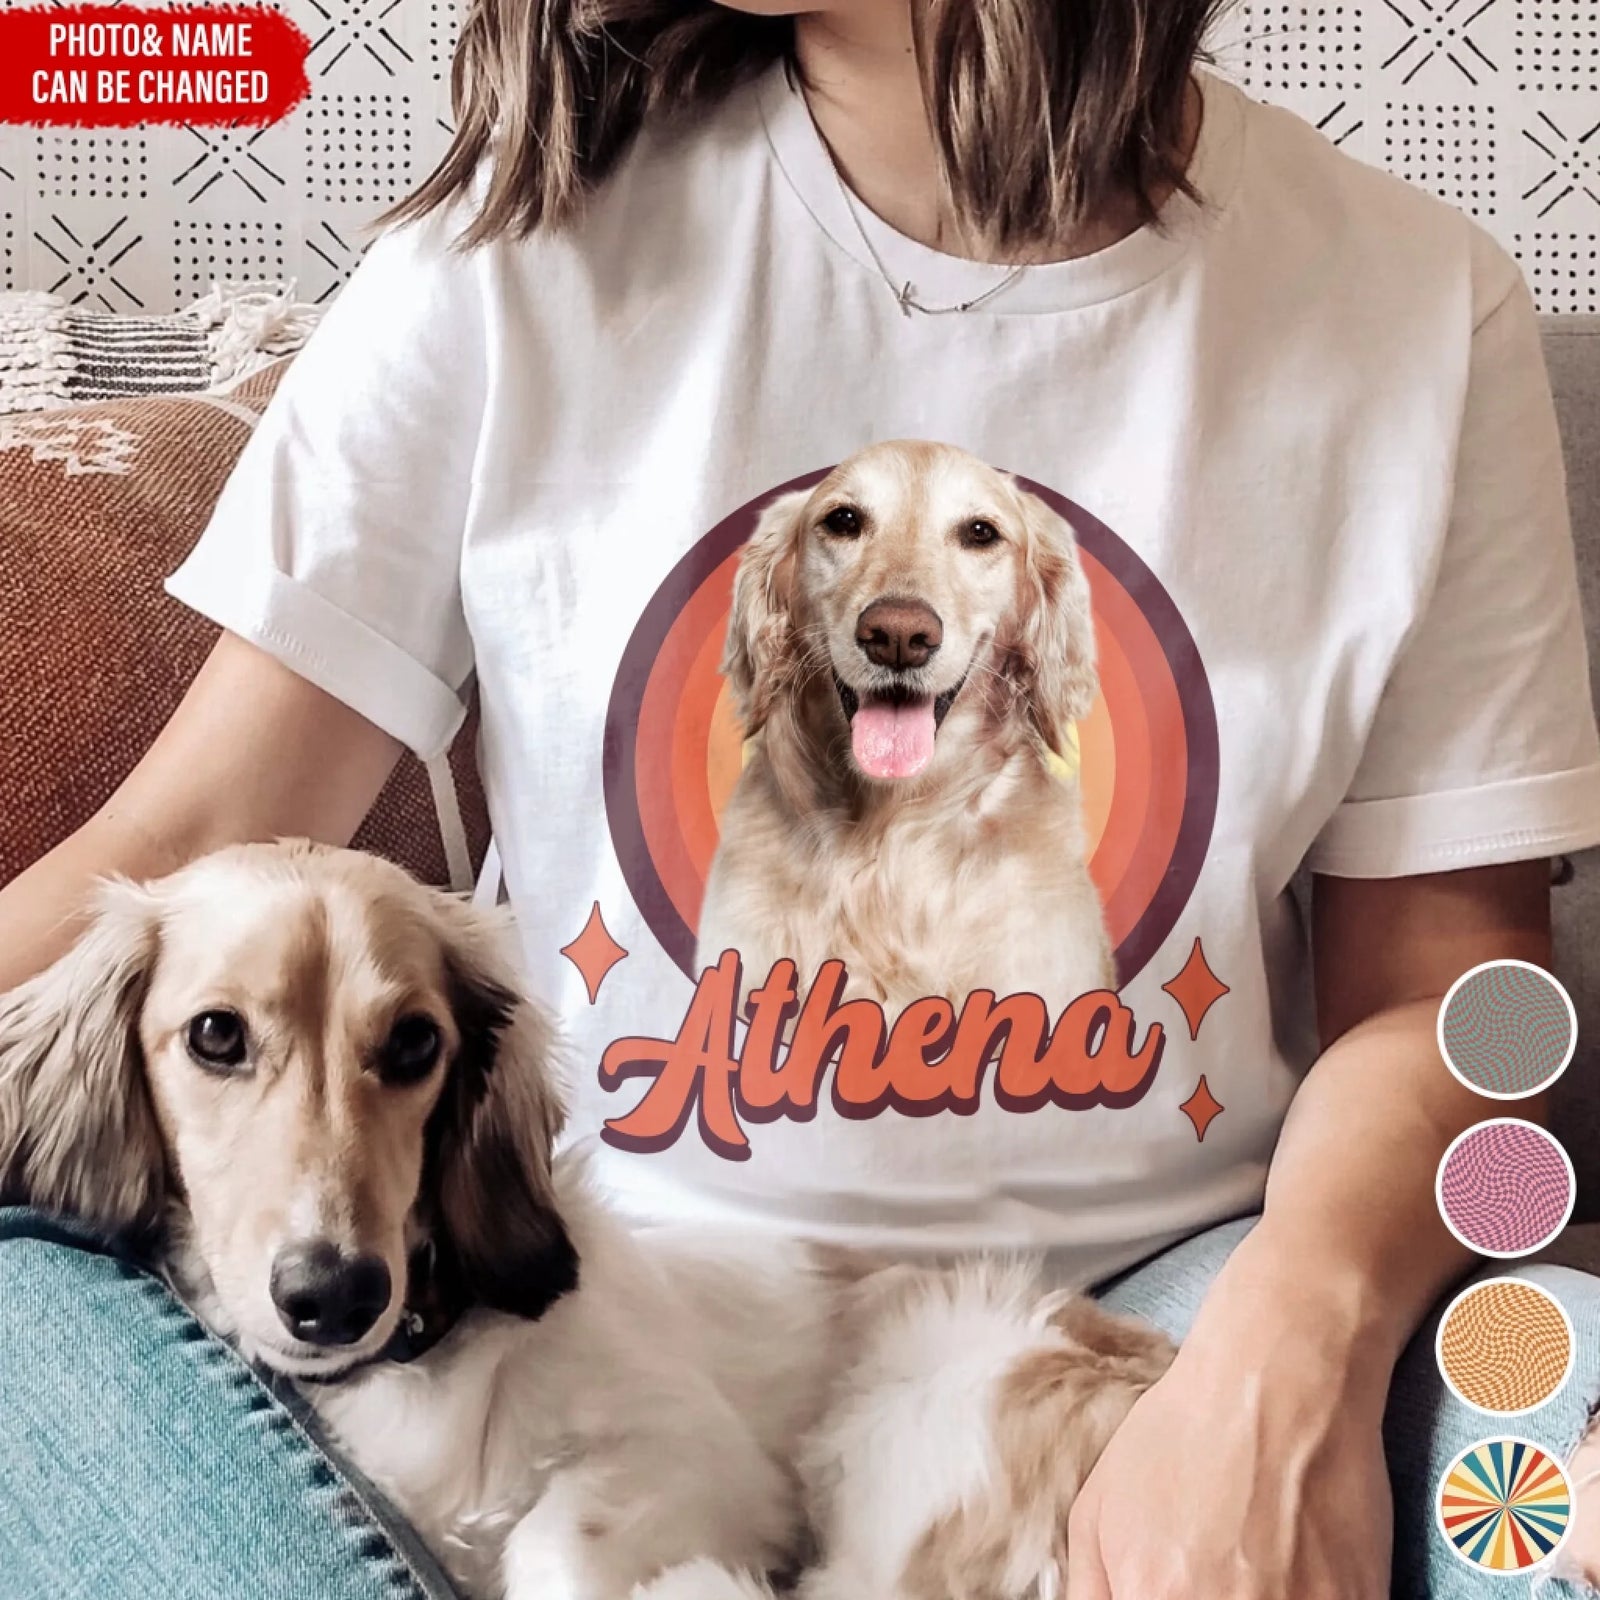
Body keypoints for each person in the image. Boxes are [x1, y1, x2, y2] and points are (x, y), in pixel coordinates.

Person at [2, 1, 1599, 1596]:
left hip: (1152, 1306)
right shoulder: (504, 257)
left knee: (1572, 1447)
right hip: (590, 1309)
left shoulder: (1418, 305)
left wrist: (1292, 1352)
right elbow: (182, 839)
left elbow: (1474, 1010)